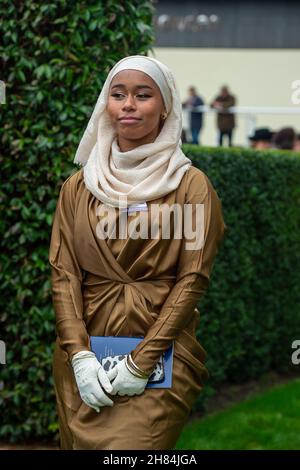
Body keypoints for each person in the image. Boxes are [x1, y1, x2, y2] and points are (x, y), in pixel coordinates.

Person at [49, 55, 226, 450]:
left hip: (161, 359)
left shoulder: (190, 186)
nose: (128, 104)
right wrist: (78, 356)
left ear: (165, 107)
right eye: (118, 94)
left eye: (143, 95)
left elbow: (193, 278)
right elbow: (63, 275)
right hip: (86, 363)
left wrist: (141, 360)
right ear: (105, 104)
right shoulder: (77, 188)